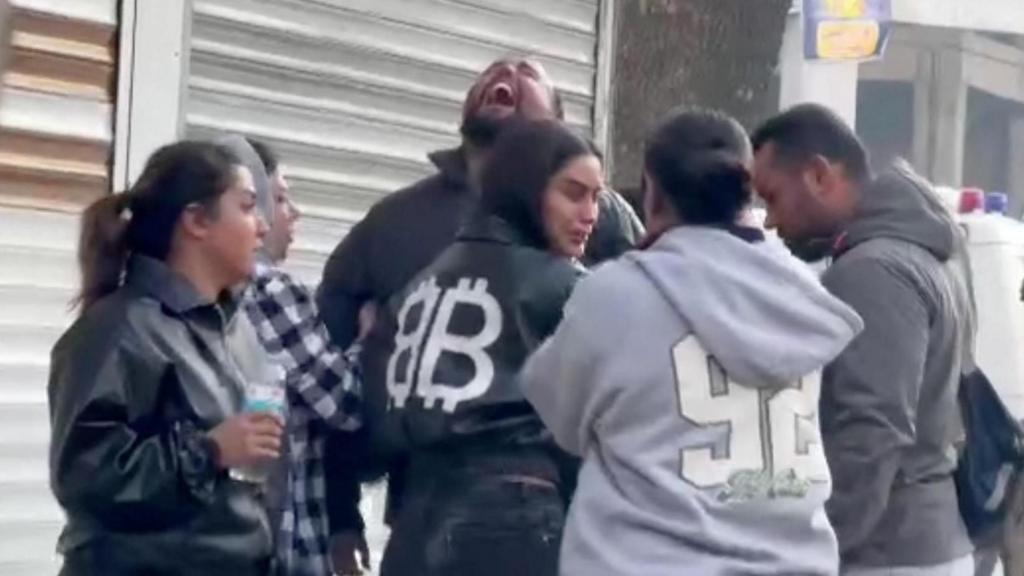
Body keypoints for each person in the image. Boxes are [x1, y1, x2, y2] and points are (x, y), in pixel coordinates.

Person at [520, 109, 862, 576]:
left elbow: (558, 415)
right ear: (747, 191)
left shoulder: (616, 294)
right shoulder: (801, 293)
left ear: (652, 193)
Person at [316, 56, 643, 539]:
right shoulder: (394, 221)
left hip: (563, 511)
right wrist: (341, 515)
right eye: (493, 71)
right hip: (425, 510)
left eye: (528, 76)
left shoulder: (601, 216)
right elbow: (331, 381)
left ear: (556, 126)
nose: (505, 75)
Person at [357, 119, 602, 576]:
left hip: (414, 522)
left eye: (596, 197)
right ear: (527, 189)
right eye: (573, 193)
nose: (590, 213)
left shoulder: (414, 289)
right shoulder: (569, 288)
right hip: (517, 516)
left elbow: (377, 422)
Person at [751, 103, 976, 575]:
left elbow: (871, 431)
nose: (770, 222)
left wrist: (815, 547)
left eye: (772, 198)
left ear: (817, 175)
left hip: (886, 553)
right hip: (926, 540)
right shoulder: (928, 252)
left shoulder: (872, 271)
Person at [48, 141, 283, 575]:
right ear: (196, 220)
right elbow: (86, 479)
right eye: (247, 207)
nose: (263, 227)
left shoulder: (236, 328)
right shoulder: (118, 331)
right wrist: (209, 451)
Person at [235, 136, 367, 576]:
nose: (293, 213)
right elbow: (346, 405)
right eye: (279, 198)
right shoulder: (269, 290)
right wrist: (370, 339)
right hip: (286, 544)